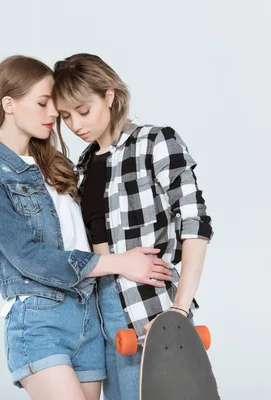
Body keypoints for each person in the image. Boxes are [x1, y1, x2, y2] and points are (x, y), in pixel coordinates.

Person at [0, 55, 171, 400]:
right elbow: (30, 257)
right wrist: (122, 262)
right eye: (43, 103)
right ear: (8, 104)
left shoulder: (62, 166)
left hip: (89, 317)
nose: (54, 114)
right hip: (39, 319)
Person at [52, 53, 214, 400]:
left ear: (108, 96)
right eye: (65, 116)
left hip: (150, 305)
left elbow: (195, 223)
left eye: (83, 111)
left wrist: (179, 312)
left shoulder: (155, 143)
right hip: (98, 312)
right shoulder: (81, 166)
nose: (76, 124)